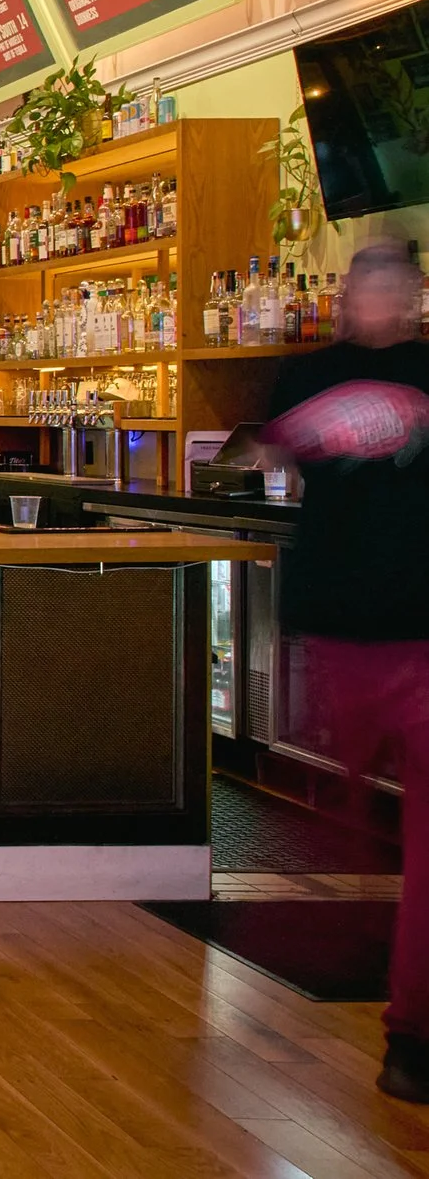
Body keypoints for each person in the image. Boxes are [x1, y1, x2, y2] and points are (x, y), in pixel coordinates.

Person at [261, 241, 429, 1103]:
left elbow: (267, 458)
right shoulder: (305, 375)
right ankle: (362, 946)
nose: (377, 301)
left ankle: (405, 1014)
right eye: (368, 288)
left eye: (389, 288)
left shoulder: (319, 378)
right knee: (347, 820)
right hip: (340, 623)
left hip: (402, 629)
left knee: (386, 830)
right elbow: (264, 455)